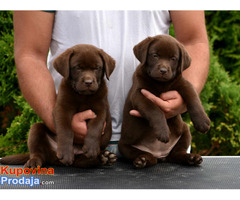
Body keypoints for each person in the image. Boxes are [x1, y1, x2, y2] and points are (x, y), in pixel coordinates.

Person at [13, 11, 209, 156]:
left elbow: (194, 41)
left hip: (157, 141)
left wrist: (183, 96)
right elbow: (30, 54)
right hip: (73, 146)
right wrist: (61, 125)